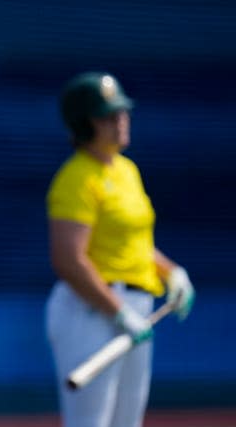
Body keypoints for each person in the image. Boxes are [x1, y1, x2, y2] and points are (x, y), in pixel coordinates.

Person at [45, 71, 196, 427]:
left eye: (122, 113)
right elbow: (68, 260)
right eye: (107, 117)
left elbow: (134, 247)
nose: (120, 122)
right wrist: (118, 311)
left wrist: (171, 272)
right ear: (85, 125)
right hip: (91, 312)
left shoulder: (126, 171)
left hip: (135, 309)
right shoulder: (77, 179)